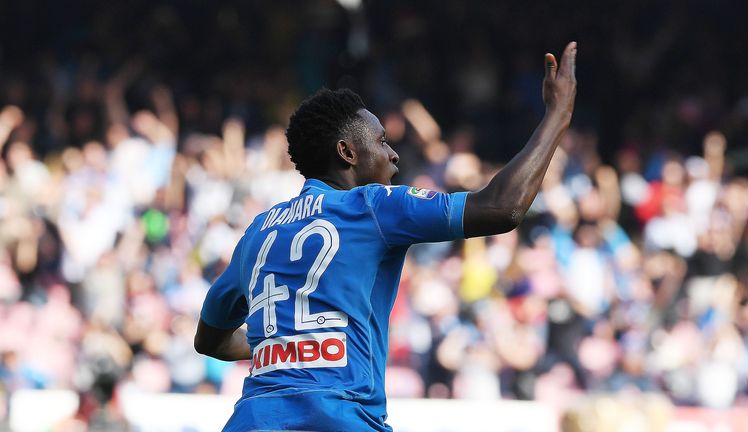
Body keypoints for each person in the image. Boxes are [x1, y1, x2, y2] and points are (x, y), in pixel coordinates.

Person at [194, 41, 577, 431]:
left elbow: (209, 339)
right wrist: (558, 116)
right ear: (346, 152)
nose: (393, 154)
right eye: (380, 142)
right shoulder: (375, 206)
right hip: (338, 416)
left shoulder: (259, 230)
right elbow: (502, 207)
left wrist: (281, 346)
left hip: (254, 419)